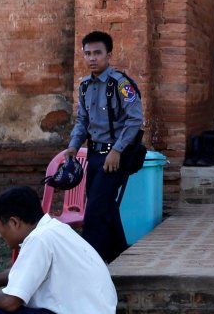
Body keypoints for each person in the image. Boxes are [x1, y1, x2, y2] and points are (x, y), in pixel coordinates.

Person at [0, 185, 117, 313]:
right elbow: (24, 272)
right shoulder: (53, 229)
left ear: (14, 222)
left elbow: (11, 301)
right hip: (96, 309)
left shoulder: (39, 239)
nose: (0, 234)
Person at [65, 30, 143, 263]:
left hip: (115, 157)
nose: (92, 58)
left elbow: (134, 120)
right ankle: (120, 253)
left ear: (109, 54)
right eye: (87, 53)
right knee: (105, 206)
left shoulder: (121, 85)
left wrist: (116, 150)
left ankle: (89, 263)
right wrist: (73, 145)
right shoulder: (85, 86)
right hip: (94, 155)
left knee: (95, 210)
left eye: (97, 53)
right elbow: (82, 121)